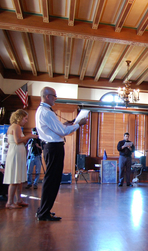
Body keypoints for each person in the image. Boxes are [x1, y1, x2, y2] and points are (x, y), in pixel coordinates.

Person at [36, 87, 87, 221]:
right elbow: (62, 132)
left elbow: (56, 129)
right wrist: (78, 125)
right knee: (52, 180)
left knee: (51, 180)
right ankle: (43, 212)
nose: (56, 98)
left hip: (51, 147)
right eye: (54, 96)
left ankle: (44, 210)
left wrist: (65, 124)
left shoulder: (44, 110)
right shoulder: (46, 112)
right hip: (53, 148)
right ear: (47, 96)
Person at [3, 109, 38, 209]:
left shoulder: (16, 127)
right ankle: (10, 202)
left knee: (18, 178)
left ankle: (19, 200)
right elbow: (17, 140)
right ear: (19, 118)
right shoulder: (16, 126)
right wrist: (29, 136)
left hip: (18, 152)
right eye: (25, 118)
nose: (26, 121)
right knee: (14, 178)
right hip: (15, 153)